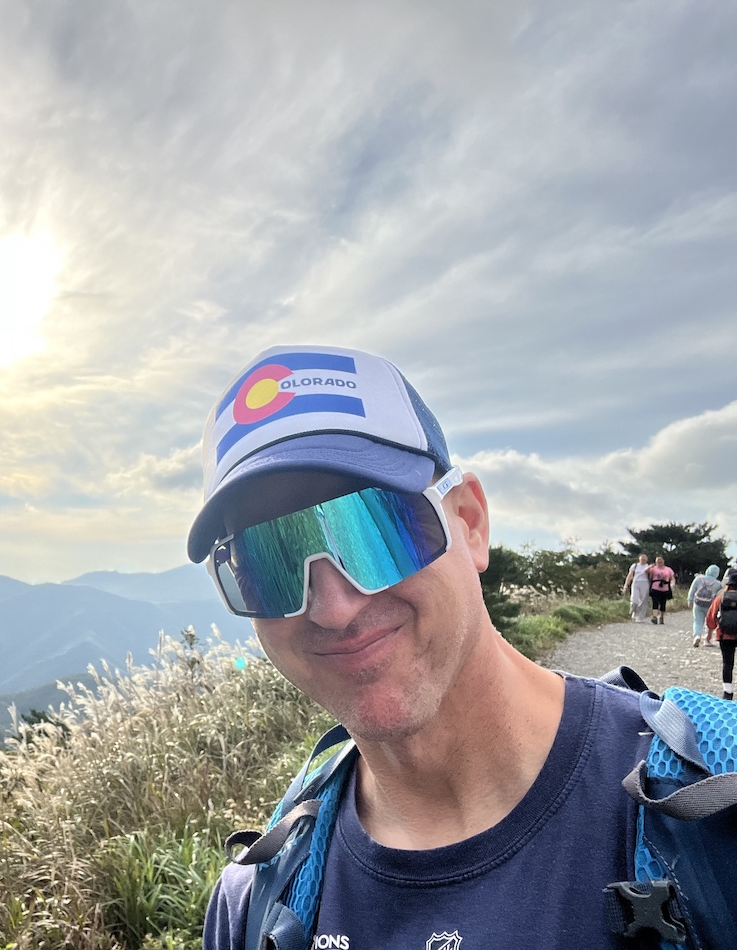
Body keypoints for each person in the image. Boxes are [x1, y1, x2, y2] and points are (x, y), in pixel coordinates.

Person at [189, 345, 672, 949]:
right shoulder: (256, 903)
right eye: (269, 562)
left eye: (374, 530)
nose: (335, 607)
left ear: (469, 522)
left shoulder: (710, 811)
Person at [705, 569, 737, 699]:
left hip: (724, 635)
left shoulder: (721, 598)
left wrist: (710, 633)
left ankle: (727, 692)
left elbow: (711, 618)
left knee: (727, 663)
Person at [687, 564, 723, 647]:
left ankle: (697, 636)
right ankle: (707, 640)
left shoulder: (699, 579)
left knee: (698, 621)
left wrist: (690, 600)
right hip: (710, 605)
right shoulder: (718, 583)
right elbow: (719, 595)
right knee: (709, 622)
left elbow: (692, 590)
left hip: (698, 603)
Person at [621, 553, 651, 623]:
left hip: (645, 583)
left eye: (645, 559)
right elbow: (630, 575)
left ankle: (640, 617)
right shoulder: (635, 566)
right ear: (639, 559)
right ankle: (634, 612)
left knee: (643, 600)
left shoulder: (648, 567)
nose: (643, 560)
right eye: (642, 559)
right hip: (636, 582)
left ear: (647, 560)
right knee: (634, 599)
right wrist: (626, 585)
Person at [646, 555, 675, 625]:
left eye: (660, 560)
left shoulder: (668, 569)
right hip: (655, 588)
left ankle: (661, 617)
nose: (659, 562)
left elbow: (672, 578)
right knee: (655, 602)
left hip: (665, 588)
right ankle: (655, 617)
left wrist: (672, 584)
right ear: (655, 562)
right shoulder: (653, 569)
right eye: (658, 560)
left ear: (663, 561)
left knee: (663, 603)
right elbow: (646, 573)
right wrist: (649, 567)